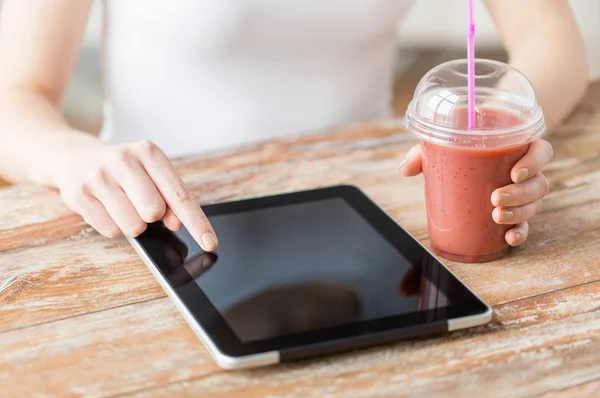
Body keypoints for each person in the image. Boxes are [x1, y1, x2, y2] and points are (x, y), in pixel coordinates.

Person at [0, 0, 588, 252]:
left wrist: (504, 130)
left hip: (373, 220)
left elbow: (553, 41)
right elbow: (15, 96)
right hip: (159, 226)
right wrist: (67, 155)